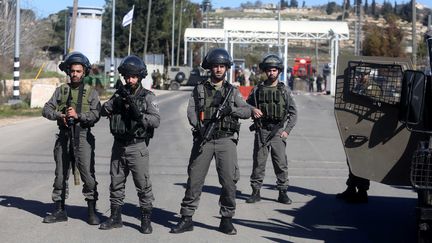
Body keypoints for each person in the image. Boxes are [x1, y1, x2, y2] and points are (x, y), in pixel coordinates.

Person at [170, 48, 251, 235]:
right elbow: (191, 110)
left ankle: (226, 219)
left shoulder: (232, 91)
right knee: (194, 180)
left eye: (222, 66)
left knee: (229, 181)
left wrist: (231, 110)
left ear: (226, 68)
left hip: (226, 141)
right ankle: (186, 218)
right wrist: (198, 126)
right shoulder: (199, 89)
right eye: (215, 66)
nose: (219, 70)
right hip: (204, 139)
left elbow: (246, 110)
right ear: (210, 68)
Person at [99, 55, 160, 234]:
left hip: (137, 146)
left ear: (140, 77)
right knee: (116, 182)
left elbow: (156, 120)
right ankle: (115, 217)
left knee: (143, 184)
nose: (130, 80)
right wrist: (115, 104)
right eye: (127, 76)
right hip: (119, 145)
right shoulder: (119, 94)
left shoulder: (148, 97)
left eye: (133, 76)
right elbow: (104, 110)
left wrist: (140, 116)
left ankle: (146, 219)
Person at [42, 52, 101, 225]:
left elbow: (97, 114)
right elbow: (46, 109)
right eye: (72, 71)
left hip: (82, 137)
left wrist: (79, 116)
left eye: (78, 71)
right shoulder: (61, 90)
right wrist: (59, 115)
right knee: (60, 175)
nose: (75, 74)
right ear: (68, 71)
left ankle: (91, 211)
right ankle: (59, 210)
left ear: (84, 72)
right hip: (64, 137)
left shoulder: (91, 92)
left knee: (88, 175)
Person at [245, 54, 297, 204]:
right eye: (269, 70)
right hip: (262, 131)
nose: (271, 73)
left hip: (278, 131)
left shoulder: (284, 91)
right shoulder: (257, 90)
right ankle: (255, 192)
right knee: (258, 163)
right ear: (265, 71)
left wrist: (287, 130)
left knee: (280, 163)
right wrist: (253, 109)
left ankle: (282, 192)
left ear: (279, 71)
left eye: (274, 70)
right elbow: (245, 105)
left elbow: (293, 113)